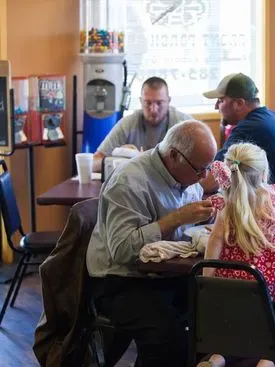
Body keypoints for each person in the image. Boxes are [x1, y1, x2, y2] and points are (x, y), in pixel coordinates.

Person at [86, 120, 217, 366]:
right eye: (200, 170)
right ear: (174, 156)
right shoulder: (129, 182)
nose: (205, 177)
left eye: (208, 168)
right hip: (119, 281)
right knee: (168, 337)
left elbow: (185, 236)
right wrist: (176, 219)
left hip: (164, 273)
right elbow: (122, 252)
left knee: (216, 317)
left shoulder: (186, 176)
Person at [200, 143, 275, 367]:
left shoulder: (226, 205)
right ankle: (267, 361)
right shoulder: (274, 195)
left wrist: (207, 278)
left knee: (229, 332)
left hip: (234, 286)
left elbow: (215, 240)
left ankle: (217, 358)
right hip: (273, 287)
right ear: (264, 173)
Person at [202, 73, 275, 191]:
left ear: (239, 103)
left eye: (220, 100)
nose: (216, 107)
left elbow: (211, 180)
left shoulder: (248, 129)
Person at [93, 77, 192, 171]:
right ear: (141, 101)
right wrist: (120, 158)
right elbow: (94, 162)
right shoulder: (128, 124)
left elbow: (201, 164)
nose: (153, 109)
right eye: (148, 103)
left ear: (168, 101)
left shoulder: (183, 124)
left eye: (159, 103)